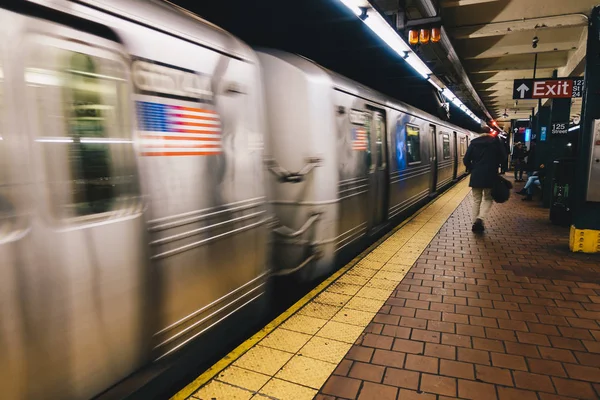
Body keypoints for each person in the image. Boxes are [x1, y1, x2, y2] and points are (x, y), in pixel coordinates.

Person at [463, 132, 507, 232]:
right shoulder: (495, 144)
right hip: (490, 175)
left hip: (476, 175)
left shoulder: (474, 144)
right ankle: (480, 219)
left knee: (476, 200)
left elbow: (466, 160)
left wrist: (473, 168)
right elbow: (503, 158)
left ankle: (475, 223)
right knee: (488, 199)